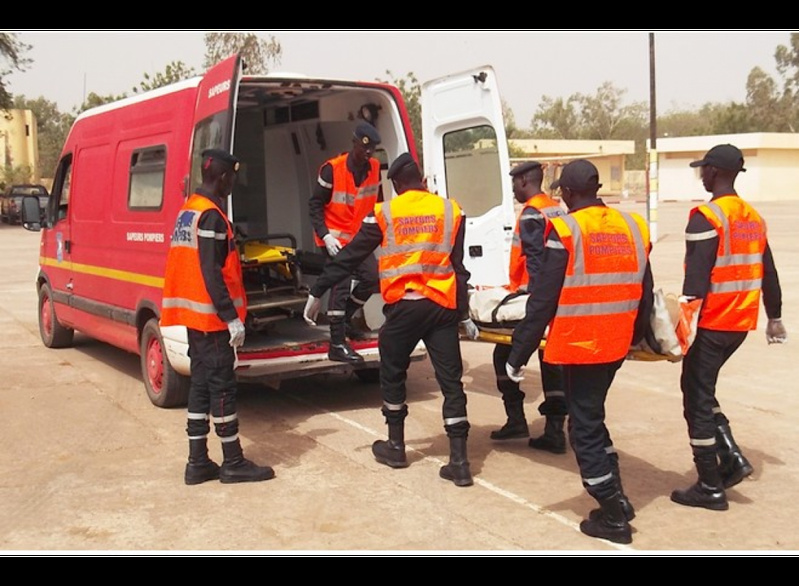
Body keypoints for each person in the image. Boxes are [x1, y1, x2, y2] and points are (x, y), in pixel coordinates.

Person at [303, 153, 480, 487]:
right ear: (423, 182)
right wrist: (464, 312)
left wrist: (318, 290)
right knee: (451, 382)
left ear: (396, 186)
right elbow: (458, 267)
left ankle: (396, 446)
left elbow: (350, 256)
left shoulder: (384, 212)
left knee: (392, 372)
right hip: (441, 307)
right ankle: (460, 462)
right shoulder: (451, 210)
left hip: (405, 309)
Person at [506, 159, 654, 545]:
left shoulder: (568, 229)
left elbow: (543, 299)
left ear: (568, 193)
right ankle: (618, 497)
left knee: (583, 429)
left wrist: (517, 353)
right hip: (617, 342)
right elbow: (646, 288)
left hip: (581, 342)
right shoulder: (633, 225)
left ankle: (611, 514)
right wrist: (636, 337)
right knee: (593, 416)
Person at [670, 144, 787, 511]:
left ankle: (709, 484)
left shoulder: (707, 217)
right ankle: (732, 459)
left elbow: (696, 284)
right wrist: (775, 316)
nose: (700, 175)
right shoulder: (752, 217)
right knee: (701, 390)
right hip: (739, 324)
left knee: (696, 400)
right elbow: (768, 271)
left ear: (716, 172)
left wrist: (679, 333)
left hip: (712, 323)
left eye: (703, 169)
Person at [161, 148, 275, 486]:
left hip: (194, 319)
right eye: (233, 176)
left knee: (199, 388)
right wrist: (231, 318)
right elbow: (211, 272)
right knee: (222, 389)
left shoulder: (188, 211)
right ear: (224, 177)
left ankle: (197, 462)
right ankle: (233, 462)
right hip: (212, 322)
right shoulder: (210, 216)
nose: (234, 182)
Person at [490, 161, 569, 455]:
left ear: (524, 180)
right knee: (552, 363)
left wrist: (536, 307)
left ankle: (516, 419)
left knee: (503, 353)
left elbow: (536, 264)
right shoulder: (557, 208)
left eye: (514, 183)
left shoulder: (532, 213)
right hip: (559, 296)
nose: (512, 189)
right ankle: (554, 430)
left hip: (535, 299)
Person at [309, 122, 383, 364]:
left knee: (372, 278)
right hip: (334, 238)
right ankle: (337, 344)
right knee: (340, 286)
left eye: (372, 149)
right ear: (354, 143)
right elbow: (315, 205)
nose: (368, 153)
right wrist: (326, 235)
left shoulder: (374, 168)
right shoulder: (332, 169)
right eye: (364, 148)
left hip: (358, 239)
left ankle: (346, 319)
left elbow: (377, 202)